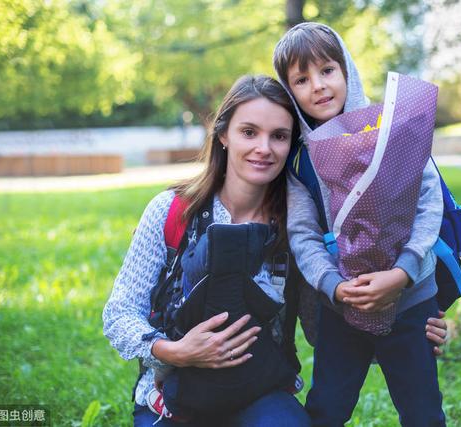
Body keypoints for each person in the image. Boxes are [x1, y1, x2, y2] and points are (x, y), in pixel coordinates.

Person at [103, 75, 311, 426]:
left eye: (279, 136)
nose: (264, 147)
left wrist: (407, 326)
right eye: (249, 132)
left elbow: (325, 320)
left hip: (260, 390)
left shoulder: (297, 226)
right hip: (175, 393)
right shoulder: (172, 210)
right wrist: (176, 352)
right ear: (223, 135)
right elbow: (120, 312)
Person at [273, 22, 447, 426]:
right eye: (301, 79)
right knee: (327, 408)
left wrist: (403, 272)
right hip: (340, 304)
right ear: (289, 91)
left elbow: (428, 204)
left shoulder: (392, 129)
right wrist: (334, 286)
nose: (318, 85)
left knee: (422, 409)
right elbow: (303, 234)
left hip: (411, 296)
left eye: (327, 70)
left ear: (347, 68)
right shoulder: (299, 158)